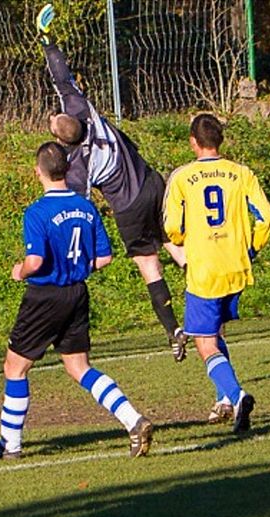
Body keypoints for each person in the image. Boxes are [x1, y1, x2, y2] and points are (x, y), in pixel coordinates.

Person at [0, 143, 153, 461]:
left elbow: (36, 261)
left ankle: (10, 444)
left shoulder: (37, 211)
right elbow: (105, 257)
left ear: (37, 172)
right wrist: (77, 268)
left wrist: (19, 271)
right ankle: (133, 420)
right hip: (76, 293)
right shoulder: (86, 207)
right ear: (67, 169)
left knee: (15, 367)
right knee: (79, 367)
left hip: (45, 296)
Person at [34, 3, 188, 362]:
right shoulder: (82, 109)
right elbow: (61, 75)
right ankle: (209, 298)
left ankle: (174, 330)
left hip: (129, 207)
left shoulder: (76, 166)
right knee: (175, 245)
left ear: (60, 141)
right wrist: (47, 41)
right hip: (152, 182)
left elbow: (76, 205)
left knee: (149, 265)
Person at [163, 114, 270, 431]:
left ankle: (237, 396)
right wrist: (251, 249)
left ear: (193, 142)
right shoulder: (242, 173)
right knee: (215, 331)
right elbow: (266, 217)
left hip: (205, 270)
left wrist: (183, 240)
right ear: (220, 140)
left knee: (204, 342)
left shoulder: (182, 177)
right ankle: (224, 397)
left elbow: (171, 226)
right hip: (235, 267)